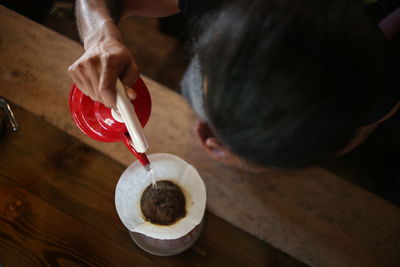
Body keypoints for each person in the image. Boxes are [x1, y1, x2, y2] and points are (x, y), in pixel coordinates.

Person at [68, 0, 399, 171]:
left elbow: (358, 132)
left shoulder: (381, 86)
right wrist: (100, 35)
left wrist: (255, 160)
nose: (205, 124)